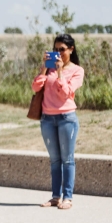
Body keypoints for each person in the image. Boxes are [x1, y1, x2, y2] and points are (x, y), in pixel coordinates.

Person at [33, 33, 84, 210]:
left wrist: (61, 71)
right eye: (55, 50)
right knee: (54, 160)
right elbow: (35, 87)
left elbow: (66, 92)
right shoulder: (49, 69)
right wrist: (44, 69)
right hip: (47, 119)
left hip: (66, 118)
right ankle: (55, 197)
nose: (58, 53)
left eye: (61, 49)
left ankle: (67, 197)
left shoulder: (77, 70)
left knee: (67, 159)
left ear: (71, 49)